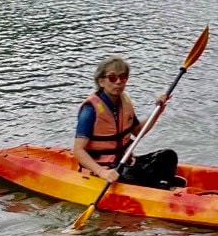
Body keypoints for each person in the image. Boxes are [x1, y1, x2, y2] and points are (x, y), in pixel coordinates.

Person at [72, 55, 181, 189]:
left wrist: (158, 111)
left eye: (123, 78)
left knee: (168, 155)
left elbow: (137, 132)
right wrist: (102, 172)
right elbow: (78, 150)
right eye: (112, 78)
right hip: (104, 168)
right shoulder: (90, 110)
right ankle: (160, 184)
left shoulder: (124, 102)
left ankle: (163, 186)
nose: (118, 82)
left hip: (125, 162)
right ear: (101, 81)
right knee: (135, 174)